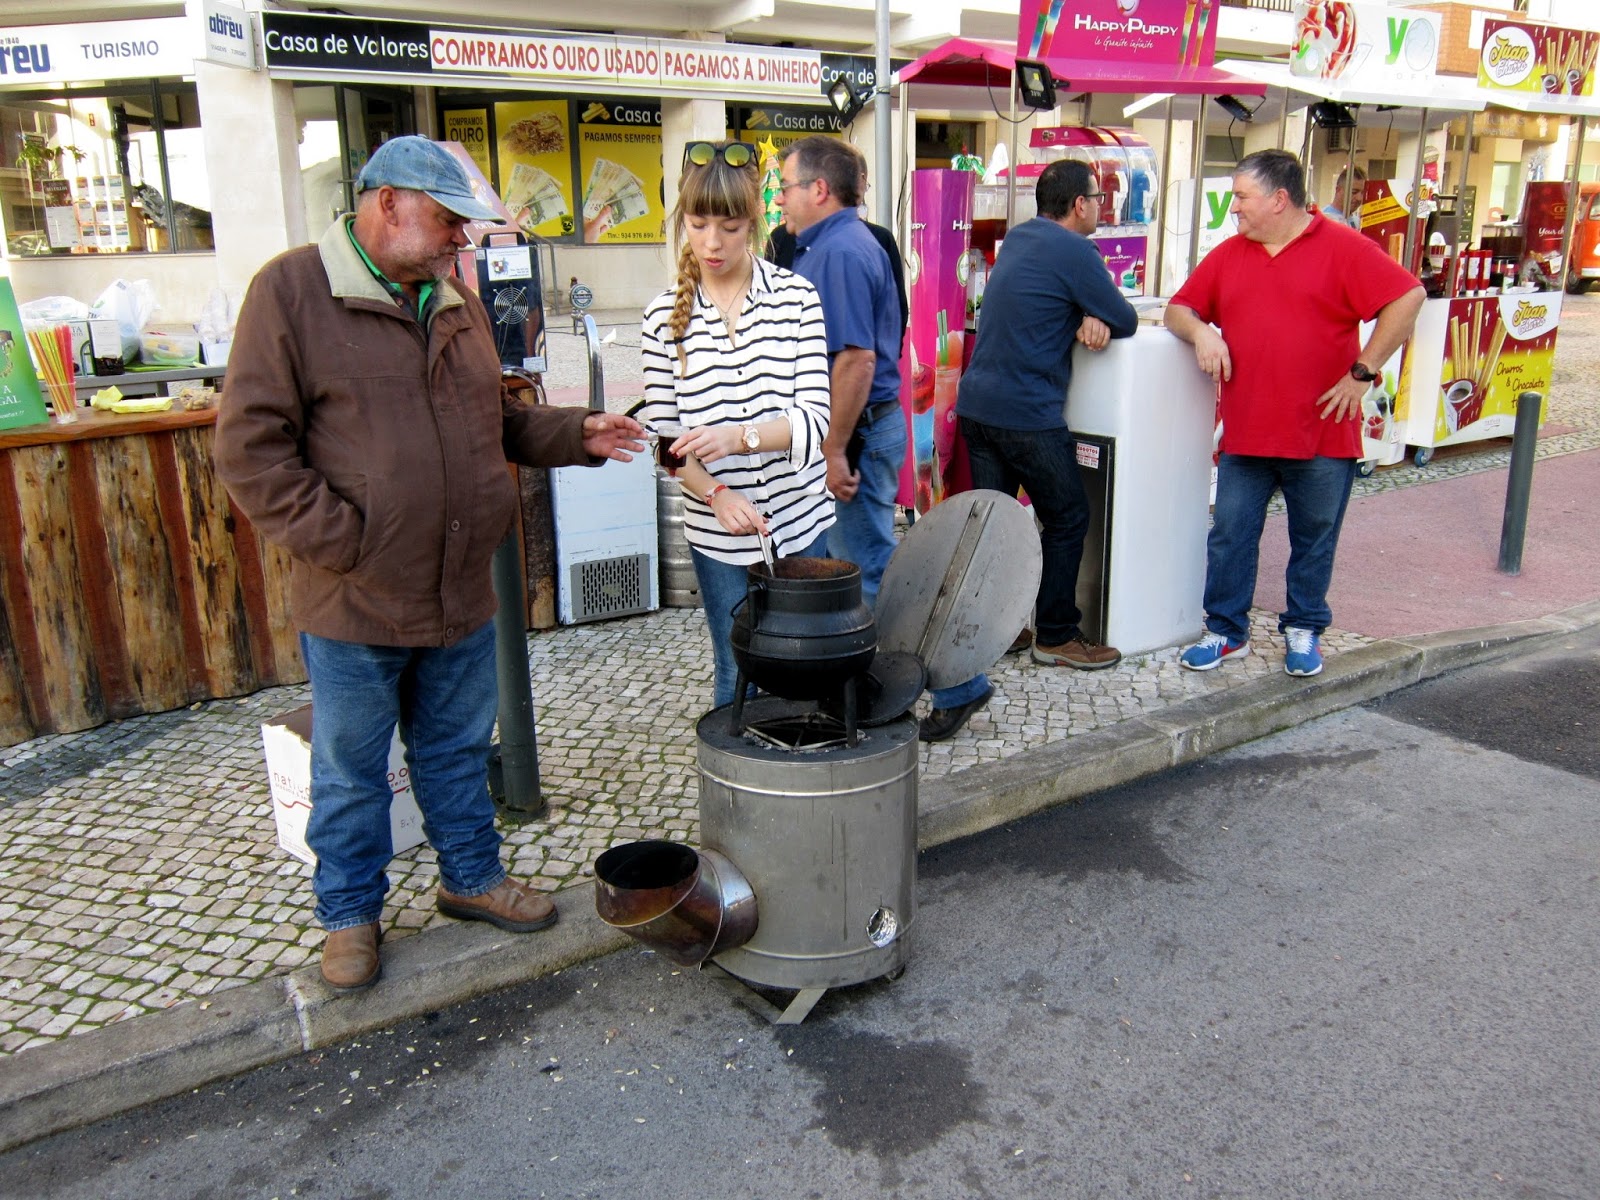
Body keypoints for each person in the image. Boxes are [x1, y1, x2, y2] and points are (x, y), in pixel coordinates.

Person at [215, 136, 645, 994]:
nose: (462, 239)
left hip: (459, 588)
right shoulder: (291, 292)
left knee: (456, 749)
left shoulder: (455, 301)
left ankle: (471, 878)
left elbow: (495, 420)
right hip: (357, 600)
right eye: (449, 221)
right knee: (351, 771)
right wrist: (351, 545)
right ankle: (349, 915)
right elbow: (251, 452)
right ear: (388, 203)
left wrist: (575, 432)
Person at [1165, 149, 1423, 678]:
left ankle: (1304, 628)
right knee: (1230, 535)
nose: (1235, 207)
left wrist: (1363, 371)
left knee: (1315, 537)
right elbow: (1177, 309)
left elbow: (1409, 296)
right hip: (1247, 431)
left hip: (1323, 431)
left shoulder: (1344, 247)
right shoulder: (1230, 254)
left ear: (1279, 199)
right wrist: (1202, 331)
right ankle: (1226, 631)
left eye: (1242, 197)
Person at [919, 159, 1139, 742]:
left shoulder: (1019, 240)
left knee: (995, 527)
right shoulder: (1076, 251)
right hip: (1026, 413)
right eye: (1097, 198)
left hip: (978, 407)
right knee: (1067, 516)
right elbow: (1125, 319)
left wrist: (1080, 312)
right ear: (1079, 204)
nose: (1100, 208)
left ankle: (1001, 629)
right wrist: (1092, 312)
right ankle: (1056, 634)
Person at [636, 140, 835, 708]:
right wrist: (716, 493)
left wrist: (738, 438)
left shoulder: (797, 299)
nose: (712, 243)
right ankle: (735, 765)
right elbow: (666, 445)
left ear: (754, 222)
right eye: (698, 225)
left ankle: (808, 757)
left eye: (729, 227)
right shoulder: (661, 318)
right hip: (717, 532)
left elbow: (814, 420)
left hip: (799, 518)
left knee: (806, 658)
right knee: (735, 663)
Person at [776, 135, 906, 608]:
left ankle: (895, 650)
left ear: (819, 190)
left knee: (866, 571)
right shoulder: (832, 244)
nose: (779, 199)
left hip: (857, 434)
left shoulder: (840, 252)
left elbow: (856, 360)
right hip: (857, 429)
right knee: (851, 566)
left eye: (785, 187)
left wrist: (833, 449)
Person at [1323, 164, 1366, 228]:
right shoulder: (1324, 220)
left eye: (1363, 193)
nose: (1359, 198)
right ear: (1338, 190)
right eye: (1354, 192)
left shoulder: (1358, 223)